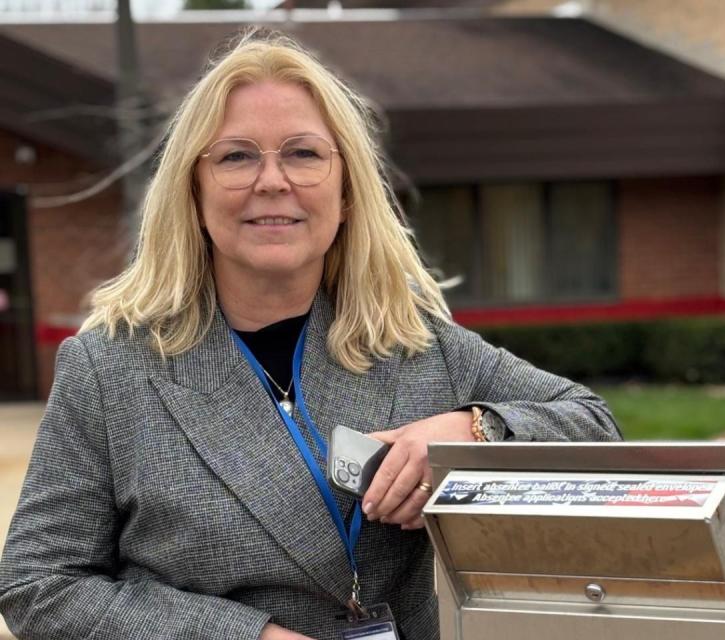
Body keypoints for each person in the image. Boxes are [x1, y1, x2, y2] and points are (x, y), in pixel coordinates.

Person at [0, 30, 621, 640]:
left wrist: (473, 430)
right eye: (237, 156)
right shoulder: (109, 369)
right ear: (193, 190)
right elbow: (38, 584)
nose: (273, 181)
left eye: (303, 153)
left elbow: (595, 427)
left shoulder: (418, 344)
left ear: (347, 191)